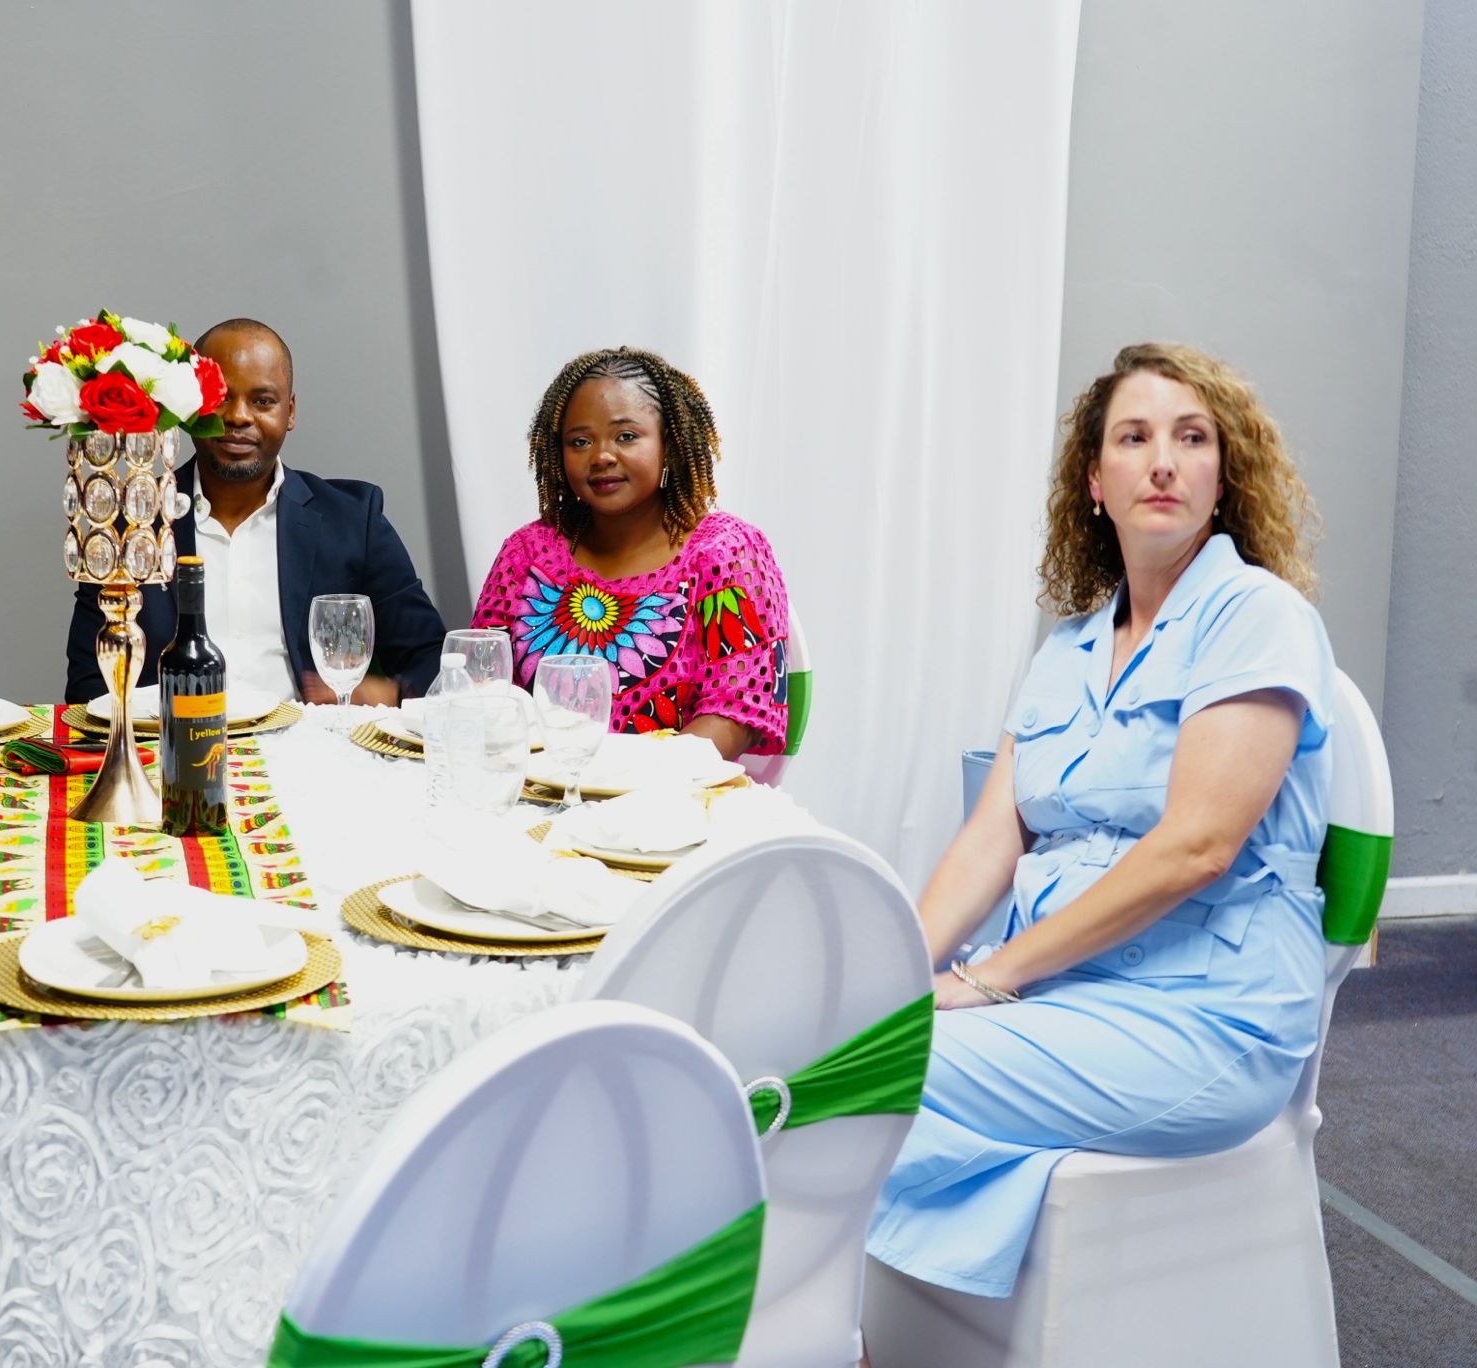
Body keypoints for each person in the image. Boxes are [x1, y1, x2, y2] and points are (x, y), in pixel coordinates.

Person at [863, 342, 1335, 1306]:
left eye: (1191, 437)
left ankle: (823, 1336)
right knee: (840, 1041)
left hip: (1209, 1015)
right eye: (1134, 436)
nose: (1162, 459)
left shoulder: (1256, 615)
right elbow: (992, 840)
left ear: (1220, 476)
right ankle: (855, 1327)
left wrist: (988, 979)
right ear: (1095, 482)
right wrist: (894, 978)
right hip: (1066, 997)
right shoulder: (1067, 648)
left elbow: (1196, 849)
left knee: (849, 1085)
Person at [62, 318, 446, 705]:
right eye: (221, 399)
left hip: (311, 751)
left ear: (290, 412)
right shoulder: (131, 525)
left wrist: (389, 693)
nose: (239, 417)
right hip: (172, 752)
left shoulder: (352, 520)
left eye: (263, 401)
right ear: (189, 408)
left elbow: (432, 658)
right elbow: (88, 688)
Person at [470, 347, 791, 761]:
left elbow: (735, 712)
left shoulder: (723, 552)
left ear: (670, 446)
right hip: (539, 789)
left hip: (669, 797)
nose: (601, 456)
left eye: (626, 436)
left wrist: (631, 782)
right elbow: (484, 687)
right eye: (580, 441)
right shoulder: (528, 552)